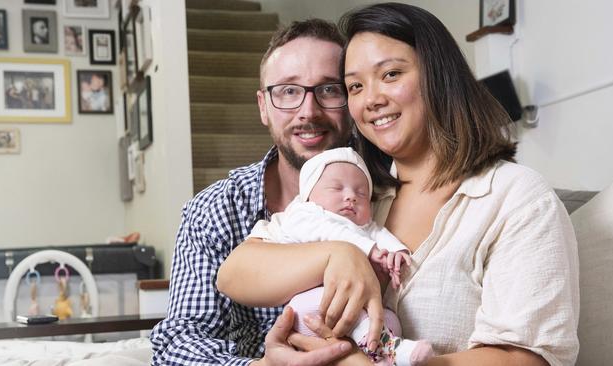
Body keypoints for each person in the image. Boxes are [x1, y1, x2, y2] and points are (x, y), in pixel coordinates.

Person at [218, 3, 580, 366]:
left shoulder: (513, 197)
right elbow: (236, 271)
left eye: (390, 74)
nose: (372, 99)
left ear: (439, 75)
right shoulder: (359, 195)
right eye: (355, 86)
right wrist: (336, 254)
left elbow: (529, 359)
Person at [149, 19, 358, 365]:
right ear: (263, 106)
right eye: (288, 91)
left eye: (329, 89)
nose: (308, 111)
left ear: (351, 99)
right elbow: (177, 343)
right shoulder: (215, 211)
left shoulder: (388, 191)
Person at [239, 146, 433, 366]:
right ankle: (385, 347)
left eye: (361, 193)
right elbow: (333, 234)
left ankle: (378, 357)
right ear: (309, 194)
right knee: (334, 301)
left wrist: (397, 251)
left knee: (389, 318)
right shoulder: (304, 214)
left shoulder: (362, 227)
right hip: (307, 309)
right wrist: (370, 250)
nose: (351, 196)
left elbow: (378, 232)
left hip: (347, 310)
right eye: (336, 188)